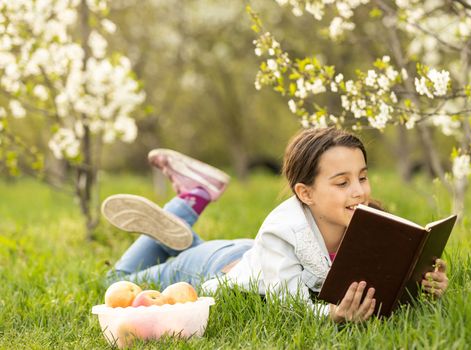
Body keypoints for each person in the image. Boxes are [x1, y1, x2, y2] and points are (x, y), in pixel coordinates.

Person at [103, 127, 449, 323]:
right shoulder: (282, 229)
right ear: (305, 192)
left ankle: (190, 207)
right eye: (342, 183)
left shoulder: (371, 221)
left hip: (253, 254)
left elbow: (388, 277)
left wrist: (423, 283)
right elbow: (291, 304)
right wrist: (333, 316)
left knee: (181, 244)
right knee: (116, 283)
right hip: (217, 269)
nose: (358, 191)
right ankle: (194, 197)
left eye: (362, 177)